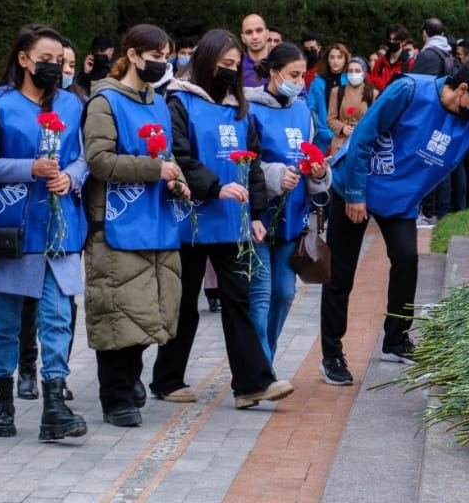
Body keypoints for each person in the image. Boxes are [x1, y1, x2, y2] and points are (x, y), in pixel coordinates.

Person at [319, 58, 469, 386]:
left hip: (399, 201)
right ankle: (332, 354)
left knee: (407, 259)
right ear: (463, 89)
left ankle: (395, 340)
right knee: (341, 272)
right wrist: (354, 193)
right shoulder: (409, 91)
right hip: (355, 186)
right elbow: (364, 136)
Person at [151, 29, 295, 408]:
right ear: (206, 61)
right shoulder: (179, 101)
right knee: (185, 304)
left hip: (232, 221)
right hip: (190, 220)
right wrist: (214, 187)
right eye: (224, 64)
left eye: (235, 64)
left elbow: (253, 164)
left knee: (239, 301)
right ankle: (167, 379)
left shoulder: (238, 108)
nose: (231, 71)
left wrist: (258, 213)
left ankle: (252, 384)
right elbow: (179, 156)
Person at [0, 25, 88, 442]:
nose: (55, 67)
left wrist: (71, 177)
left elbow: (83, 157)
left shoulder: (73, 104)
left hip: (60, 225)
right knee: (4, 322)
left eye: (60, 60)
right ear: (23, 59)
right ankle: (1, 401)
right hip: (11, 226)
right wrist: (30, 168)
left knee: (58, 317)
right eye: (46, 59)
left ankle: (54, 405)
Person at [82, 24, 186, 427]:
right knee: (117, 310)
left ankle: (130, 380)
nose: (163, 64)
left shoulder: (158, 102)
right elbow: (99, 161)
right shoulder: (104, 101)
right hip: (116, 222)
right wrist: (155, 169)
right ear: (132, 55)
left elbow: (167, 156)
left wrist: (176, 180)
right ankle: (116, 397)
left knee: (150, 309)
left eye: (167, 57)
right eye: (156, 56)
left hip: (156, 219)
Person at [246, 43, 332, 362]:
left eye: (302, 75)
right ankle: (260, 368)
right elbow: (244, 163)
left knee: (284, 294)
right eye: (293, 75)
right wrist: (275, 176)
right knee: (260, 297)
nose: (299, 82)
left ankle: (264, 358)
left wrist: (320, 173)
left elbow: (309, 157)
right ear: (274, 72)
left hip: (292, 218)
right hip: (257, 216)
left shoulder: (302, 111)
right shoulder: (250, 109)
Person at [328, 57, 376, 157]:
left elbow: (376, 122)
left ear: (364, 73)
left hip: (362, 145)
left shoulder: (373, 94)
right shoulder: (337, 92)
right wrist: (342, 128)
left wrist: (361, 128)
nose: (354, 74)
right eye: (350, 71)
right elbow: (331, 119)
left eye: (357, 71)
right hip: (339, 145)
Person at [308, 43, 349, 152]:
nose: (335, 61)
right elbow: (312, 110)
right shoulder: (317, 82)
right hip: (322, 139)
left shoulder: (350, 81)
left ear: (345, 60)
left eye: (339, 57)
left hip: (346, 137)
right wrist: (322, 131)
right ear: (327, 60)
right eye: (332, 57)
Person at [239, 13, 270, 88]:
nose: (254, 37)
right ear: (243, 38)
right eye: (248, 32)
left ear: (267, 34)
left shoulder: (280, 62)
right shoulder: (237, 66)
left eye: (259, 30)